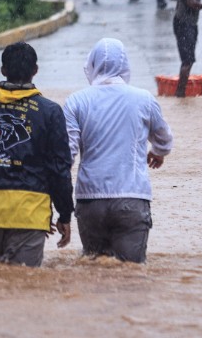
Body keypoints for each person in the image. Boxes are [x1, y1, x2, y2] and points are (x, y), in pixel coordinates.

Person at [0, 42, 73, 267]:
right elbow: (59, 169)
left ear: (3, 71)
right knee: (23, 288)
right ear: (35, 70)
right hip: (30, 213)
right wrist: (64, 214)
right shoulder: (49, 112)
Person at [63, 38, 174, 264]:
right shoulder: (144, 99)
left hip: (90, 200)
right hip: (131, 199)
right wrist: (158, 152)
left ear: (92, 65)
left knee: (94, 270)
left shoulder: (76, 101)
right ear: (125, 67)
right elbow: (164, 138)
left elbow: (66, 154)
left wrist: (60, 203)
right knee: (131, 276)